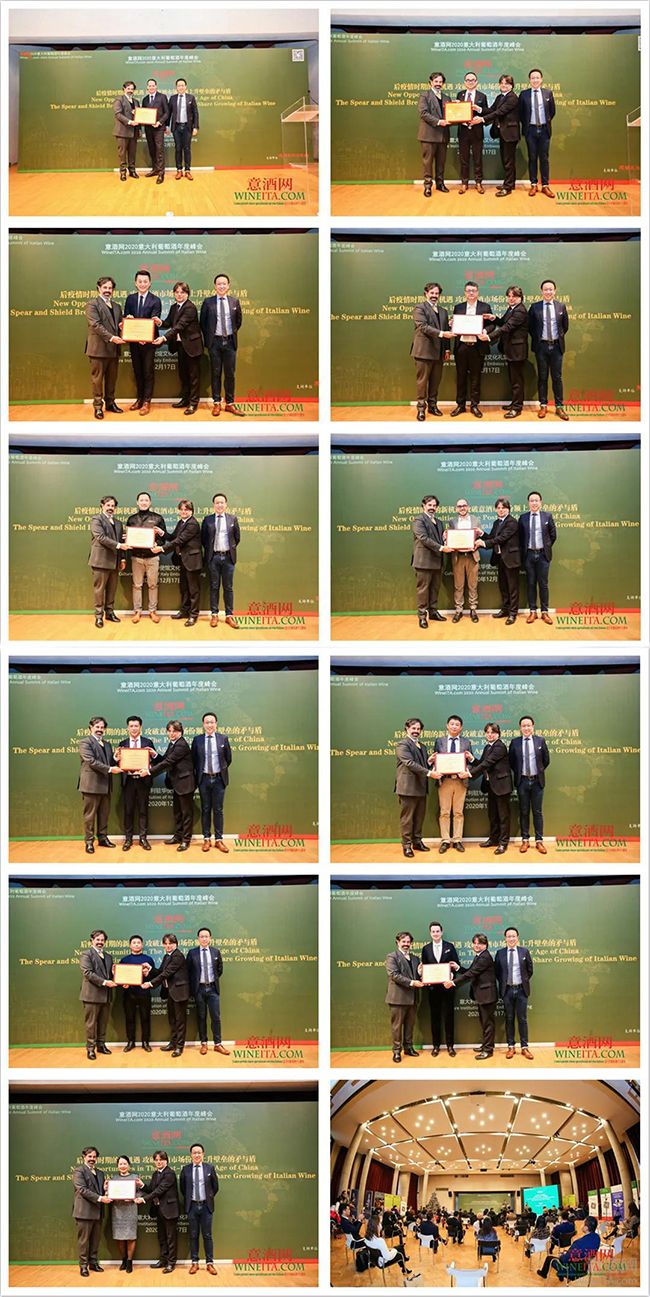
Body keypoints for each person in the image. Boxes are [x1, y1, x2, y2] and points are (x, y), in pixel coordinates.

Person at [445, 932, 497, 1059]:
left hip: (487, 995)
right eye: (475, 943)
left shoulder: (485, 957)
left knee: (488, 1023)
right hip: (483, 995)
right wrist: (458, 968)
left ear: (486, 945)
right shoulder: (479, 956)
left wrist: (453, 982)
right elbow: (470, 971)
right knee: (484, 1022)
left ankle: (488, 1050)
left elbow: (471, 974)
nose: (477, 945)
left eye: (480, 943)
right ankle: (486, 1045)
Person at [200, 274, 244, 417]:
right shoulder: (208, 302)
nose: (222, 286)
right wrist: (211, 339)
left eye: (224, 283)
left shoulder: (234, 301)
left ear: (228, 285)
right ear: (215, 286)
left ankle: (230, 403)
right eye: (219, 284)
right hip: (215, 343)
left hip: (230, 343)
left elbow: (238, 322)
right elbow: (203, 323)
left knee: (230, 374)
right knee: (216, 373)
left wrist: (230, 334)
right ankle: (217, 403)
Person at [448, 281, 495, 417]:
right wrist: (452, 324)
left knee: (476, 378)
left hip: (477, 347)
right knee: (461, 377)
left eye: (473, 290)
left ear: (477, 292)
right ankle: (460, 405)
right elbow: (454, 325)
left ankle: (474, 405)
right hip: (462, 347)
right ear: (465, 293)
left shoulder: (485, 307)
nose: (471, 293)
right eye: (468, 290)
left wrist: (485, 330)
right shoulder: (458, 307)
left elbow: (492, 325)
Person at [155, 282, 203, 414]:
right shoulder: (174, 307)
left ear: (187, 294)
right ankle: (185, 399)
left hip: (192, 347)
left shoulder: (190, 308)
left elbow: (179, 326)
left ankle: (193, 403)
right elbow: (168, 323)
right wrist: (160, 322)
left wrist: (164, 338)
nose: (179, 295)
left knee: (193, 376)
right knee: (183, 375)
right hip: (181, 346)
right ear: (174, 294)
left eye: (182, 292)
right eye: (177, 292)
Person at [481, 286, 529, 418]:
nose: (511, 298)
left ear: (520, 298)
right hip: (511, 350)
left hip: (517, 351)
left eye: (514, 296)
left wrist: (489, 337)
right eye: (509, 296)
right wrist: (494, 318)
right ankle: (514, 403)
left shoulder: (520, 311)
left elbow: (507, 327)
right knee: (514, 379)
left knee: (517, 381)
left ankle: (517, 408)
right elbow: (503, 322)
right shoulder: (512, 308)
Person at [429, 714, 474, 852]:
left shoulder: (466, 742)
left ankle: (457, 840)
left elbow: (469, 762)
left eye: (457, 724)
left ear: (461, 728)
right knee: (444, 812)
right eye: (452, 724)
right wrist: (435, 769)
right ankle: (445, 840)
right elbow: (436, 759)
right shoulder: (439, 741)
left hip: (460, 781)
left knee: (458, 812)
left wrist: (467, 770)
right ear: (447, 726)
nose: (454, 726)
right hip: (445, 781)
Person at [85, 277, 127, 420]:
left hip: (113, 349)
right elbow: (95, 325)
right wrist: (111, 337)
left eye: (110, 288)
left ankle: (110, 403)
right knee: (97, 380)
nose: (108, 290)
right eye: (105, 287)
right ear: (99, 288)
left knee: (111, 379)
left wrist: (124, 325)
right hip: (98, 349)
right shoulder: (92, 304)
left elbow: (119, 325)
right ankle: (98, 407)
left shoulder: (117, 306)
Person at [154, 499, 202, 626]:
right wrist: (162, 533)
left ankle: (193, 615)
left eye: (186, 509)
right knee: (184, 588)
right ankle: (184, 611)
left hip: (192, 561)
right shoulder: (181, 522)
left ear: (191, 511)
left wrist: (162, 548)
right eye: (181, 509)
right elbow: (173, 537)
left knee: (193, 590)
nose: (183, 512)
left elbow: (179, 540)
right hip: (183, 561)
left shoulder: (192, 524)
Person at [191, 712, 233, 852]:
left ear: (216, 724)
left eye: (212, 722)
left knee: (218, 810)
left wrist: (219, 771)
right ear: (203, 725)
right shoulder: (197, 740)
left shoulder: (223, 739)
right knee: (206, 809)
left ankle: (219, 840)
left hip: (219, 780)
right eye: (207, 722)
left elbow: (228, 759)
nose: (209, 725)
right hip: (203, 779)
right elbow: (194, 760)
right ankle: (206, 839)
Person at [78, 716, 121, 854]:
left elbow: (108, 763)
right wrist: (110, 769)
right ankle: (89, 842)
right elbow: (91, 761)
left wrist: (115, 759)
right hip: (91, 785)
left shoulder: (107, 744)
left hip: (106, 786)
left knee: (104, 814)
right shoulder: (85, 742)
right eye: (97, 727)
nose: (100, 730)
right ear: (90, 728)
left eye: (102, 727)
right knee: (89, 816)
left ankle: (102, 838)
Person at [528, 280, 570, 420]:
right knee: (543, 377)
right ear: (541, 291)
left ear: (555, 291)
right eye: (545, 289)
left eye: (550, 289)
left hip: (557, 347)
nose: (548, 292)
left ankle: (559, 406)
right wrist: (539, 339)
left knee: (557, 377)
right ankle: (543, 405)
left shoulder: (561, 306)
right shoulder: (534, 307)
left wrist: (557, 339)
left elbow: (565, 326)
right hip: (541, 347)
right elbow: (530, 327)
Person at [475, 496, 520, 625]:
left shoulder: (512, 522)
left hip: (510, 559)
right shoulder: (496, 523)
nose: (501, 510)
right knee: (503, 586)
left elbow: (502, 538)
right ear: (495, 509)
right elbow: (492, 537)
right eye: (498, 508)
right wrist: (482, 534)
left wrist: (483, 543)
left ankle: (513, 613)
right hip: (500, 558)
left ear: (508, 509)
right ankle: (505, 609)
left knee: (513, 588)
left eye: (503, 508)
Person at [151, 720, 195, 850]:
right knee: (178, 812)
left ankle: (186, 840)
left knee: (186, 814)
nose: (171, 733)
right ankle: (178, 836)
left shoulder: (181, 745)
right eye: (169, 731)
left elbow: (168, 762)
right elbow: (165, 759)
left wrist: (149, 771)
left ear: (181, 732)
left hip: (185, 783)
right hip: (177, 784)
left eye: (174, 731)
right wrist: (154, 754)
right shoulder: (172, 744)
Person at [509, 715, 551, 852]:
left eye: (528, 725)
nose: (526, 728)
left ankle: (539, 841)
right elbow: (512, 762)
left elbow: (546, 760)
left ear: (533, 727)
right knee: (524, 811)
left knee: (537, 812)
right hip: (522, 782)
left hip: (537, 782)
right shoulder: (515, 742)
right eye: (523, 726)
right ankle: (525, 840)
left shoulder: (540, 741)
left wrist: (538, 772)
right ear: (520, 728)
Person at [123, 273, 163, 417]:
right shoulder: (130, 298)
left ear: (150, 283)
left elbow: (154, 320)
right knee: (137, 371)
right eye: (140, 281)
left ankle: (147, 401)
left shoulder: (155, 300)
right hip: (134, 342)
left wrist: (145, 337)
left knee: (147, 371)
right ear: (136, 283)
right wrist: (128, 318)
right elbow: (126, 316)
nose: (142, 284)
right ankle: (139, 399)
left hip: (149, 343)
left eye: (145, 281)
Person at [186, 926, 230, 1055]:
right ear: (198, 938)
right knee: (201, 1017)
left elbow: (219, 970)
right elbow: (188, 971)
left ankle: (218, 1044)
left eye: (206, 936)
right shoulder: (192, 953)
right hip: (199, 989)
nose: (204, 938)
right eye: (202, 936)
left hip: (213, 989)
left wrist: (211, 981)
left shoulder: (216, 952)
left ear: (210, 938)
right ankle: (203, 1043)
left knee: (216, 1017)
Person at [143, 932, 189, 1056]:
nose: (168, 946)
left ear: (176, 944)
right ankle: (173, 1043)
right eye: (166, 943)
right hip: (170, 993)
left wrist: (150, 984)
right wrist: (150, 968)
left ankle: (179, 1047)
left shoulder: (178, 956)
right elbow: (160, 972)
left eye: (171, 943)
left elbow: (166, 973)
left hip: (179, 993)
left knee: (180, 1021)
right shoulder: (167, 956)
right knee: (172, 1020)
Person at [125, 490, 167, 624]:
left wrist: (156, 543)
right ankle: (137, 611)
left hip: (152, 557)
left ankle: (152, 611)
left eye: (146, 500)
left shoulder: (158, 518)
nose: (144, 502)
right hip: (136, 557)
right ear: (137, 502)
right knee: (137, 585)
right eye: (141, 500)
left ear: (150, 502)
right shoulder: (131, 519)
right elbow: (128, 538)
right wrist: (127, 540)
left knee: (153, 585)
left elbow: (163, 539)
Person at [395, 717, 435, 857]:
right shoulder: (402, 745)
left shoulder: (422, 746)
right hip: (407, 788)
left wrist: (429, 761)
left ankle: (417, 842)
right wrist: (430, 773)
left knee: (419, 817)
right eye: (413, 728)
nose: (416, 731)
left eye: (418, 729)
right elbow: (410, 763)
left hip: (421, 788)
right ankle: (407, 846)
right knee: (407, 819)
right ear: (407, 728)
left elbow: (422, 765)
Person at [470, 721, 512, 853]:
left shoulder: (500, 746)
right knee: (493, 815)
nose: (490, 735)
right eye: (487, 732)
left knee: (503, 816)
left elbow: (487, 763)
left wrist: (469, 773)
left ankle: (503, 843)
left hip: (501, 786)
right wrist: (471, 759)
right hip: (491, 786)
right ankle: (493, 839)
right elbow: (481, 764)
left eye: (493, 732)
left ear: (498, 734)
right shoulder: (487, 747)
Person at [411, 282, 450, 420]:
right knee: (422, 382)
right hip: (424, 352)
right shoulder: (419, 308)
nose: (434, 295)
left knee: (435, 381)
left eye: (437, 293)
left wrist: (447, 349)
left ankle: (433, 406)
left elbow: (446, 330)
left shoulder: (443, 311)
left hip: (439, 353)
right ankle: (421, 408)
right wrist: (442, 333)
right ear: (426, 293)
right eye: (432, 293)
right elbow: (423, 326)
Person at [201, 493, 241, 628]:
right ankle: (214, 615)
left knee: (228, 587)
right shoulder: (207, 520)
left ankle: (229, 616)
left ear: (226, 504)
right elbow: (204, 539)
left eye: (222, 502)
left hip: (229, 558)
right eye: (217, 503)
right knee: (214, 587)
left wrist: (229, 550)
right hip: (214, 558)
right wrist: (212, 553)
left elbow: (237, 538)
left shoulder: (232, 519)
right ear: (213, 505)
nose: (219, 505)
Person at [494, 926, 534, 1060]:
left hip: (522, 990)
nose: (511, 938)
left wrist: (523, 982)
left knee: (522, 1019)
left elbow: (530, 970)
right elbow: (497, 972)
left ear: (517, 938)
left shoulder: (524, 952)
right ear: (505, 938)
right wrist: (505, 983)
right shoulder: (500, 953)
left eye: (513, 936)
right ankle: (511, 1047)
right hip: (507, 991)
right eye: (509, 936)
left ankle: (524, 1047)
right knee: (509, 1019)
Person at [88, 494, 128, 627]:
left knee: (112, 590)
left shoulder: (118, 523)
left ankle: (110, 613)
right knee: (99, 590)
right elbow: (100, 537)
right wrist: (119, 545)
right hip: (101, 561)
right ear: (102, 505)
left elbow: (121, 541)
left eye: (113, 505)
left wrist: (122, 558)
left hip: (115, 562)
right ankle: (99, 616)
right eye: (108, 505)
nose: (110, 507)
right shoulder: (96, 519)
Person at [179, 1143, 220, 1275]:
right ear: (191, 1155)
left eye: (199, 1152)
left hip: (206, 1207)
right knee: (193, 1235)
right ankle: (194, 1262)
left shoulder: (210, 1168)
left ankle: (209, 1263)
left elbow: (215, 1187)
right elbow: (183, 1188)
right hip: (192, 1207)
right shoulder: (186, 1169)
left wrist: (208, 1198)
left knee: (207, 1235)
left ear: (203, 1154)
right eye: (194, 1152)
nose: (197, 1155)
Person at [421, 921, 460, 1057]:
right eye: (433, 931)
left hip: (447, 988)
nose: (436, 933)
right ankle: (436, 1046)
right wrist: (424, 976)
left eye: (438, 931)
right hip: (433, 990)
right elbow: (424, 968)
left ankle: (450, 1046)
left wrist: (452, 972)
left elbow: (456, 964)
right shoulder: (426, 949)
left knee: (449, 1017)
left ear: (441, 932)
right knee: (435, 1017)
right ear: (430, 933)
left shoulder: (450, 946)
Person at [117, 714, 156, 851]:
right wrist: (116, 758)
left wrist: (152, 758)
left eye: (136, 726)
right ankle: (128, 839)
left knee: (143, 810)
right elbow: (116, 762)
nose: (134, 728)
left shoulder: (148, 743)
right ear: (127, 728)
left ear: (140, 727)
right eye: (131, 726)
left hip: (143, 782)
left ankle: (143, 838)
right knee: (128, 811)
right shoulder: (122, 744)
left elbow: (155, 762)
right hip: (128, 782)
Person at [385, 931, 424, 1063]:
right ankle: (397, 1051)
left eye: (408, 942)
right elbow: (394, 975)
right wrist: (412, 982)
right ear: (398, 942)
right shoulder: (392, 957)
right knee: (397, 1027)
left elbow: (417, 976)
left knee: (409, 1025)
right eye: (403, 941)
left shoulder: (415, 958)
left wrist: (421, 975)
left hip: (413, 998)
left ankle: (408, 1048)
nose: (406, 944)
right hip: (398, 999)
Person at [518, 491, 557, 624]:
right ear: (528, 503)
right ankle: (533, 611)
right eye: (531, 500)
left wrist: (546, 547)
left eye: (536, 500)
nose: (534, 503)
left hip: (543, 556)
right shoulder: (523, 518)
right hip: (529, 555)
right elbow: (520, 537)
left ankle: (545, 612)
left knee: (543, 584)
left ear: (540, 502)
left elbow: (553, 535)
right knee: (530, 584)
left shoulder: (547, 516)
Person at [479, 74, 520, 197]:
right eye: (501, 83)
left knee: (508, 161)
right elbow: (492, 110)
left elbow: (499, 112)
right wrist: (479, 109)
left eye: (506, 83)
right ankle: (510, 183)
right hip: (503, 133)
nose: (503, 85)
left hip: (510, 134)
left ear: (511, 86)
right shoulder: (500, 97)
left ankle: (507, 187)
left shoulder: (512, 98)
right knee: (506, 160)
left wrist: (482, 119)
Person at [140, 1150, 180, 1274]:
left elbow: (160, 1190)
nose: (158, 1162)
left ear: (166, 1161)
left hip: (169, 1210)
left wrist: (143, 1199)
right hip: (158, 1210)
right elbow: (152, 1190)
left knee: (171, 1238)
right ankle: (163, 1260)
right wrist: (142, 1186)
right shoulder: (155, 1174)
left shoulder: (170, 1174)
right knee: (162, 1238)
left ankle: (171, 1263)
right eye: (156, 1160)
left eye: (161, 1160)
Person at [73, 1146, 111, 1276]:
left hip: (98, 1212)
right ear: (84, 1157)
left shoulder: (100, 1173)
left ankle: (93, 1263)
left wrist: (105, 1190)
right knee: (84, 1241)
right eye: (90, 1156)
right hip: (84, 1212)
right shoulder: (79, 1171)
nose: (92, 1159)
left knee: (95, 1241)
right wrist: (100, 1198)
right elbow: (82, 1190)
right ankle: (83, 1266)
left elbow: (100, 1191)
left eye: (94, 1157)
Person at [80, 929, 117, 1060]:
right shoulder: (86, 954)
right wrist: (105, 982)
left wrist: (117, 977)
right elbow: (87, 973)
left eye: (102, 940)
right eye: (98, 939)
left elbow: (110, 975)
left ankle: (101, 1045)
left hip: (106, 996)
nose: (100, 942)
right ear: (92, 940)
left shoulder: (108, 956)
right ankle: (90, 1049)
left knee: (103, 1023)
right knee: (91, 1024)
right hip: (92, 996)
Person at [444, 499, 483, 622]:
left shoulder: (476, 520)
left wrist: (479, 538)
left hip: (472, 556)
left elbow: (480, 537)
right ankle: (458, 610)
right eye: (459, 506)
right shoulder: (452, 522)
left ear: (468, 507)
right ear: (456, 508)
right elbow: (449, 539)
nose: (462, 508)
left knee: (473, 585)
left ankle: (473, 609)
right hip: (458, 557)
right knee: (458, 586)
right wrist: (445, 539)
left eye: (464, 505)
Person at [519, 69, 556, 198]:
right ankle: (533, 184)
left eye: (537, 77)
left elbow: (552, 112)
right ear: (529, 80)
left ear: (541, 79)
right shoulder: (524, 94)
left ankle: (545, 185)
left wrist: (545, 123)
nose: (535, 80)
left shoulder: (548, 93)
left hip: (544, 130)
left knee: (544, 158)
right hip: (531, 131)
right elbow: (521, 113)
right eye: (532, 78)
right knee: (532, 157)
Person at [117, 933, 156, 1053]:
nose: (136, 944)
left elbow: (154, 977)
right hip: (129, 994)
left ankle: (145, 1042)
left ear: (142, 945)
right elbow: (120, 977)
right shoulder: (124, 960)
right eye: (134, 942)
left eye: (138, 942)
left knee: (145, 1018)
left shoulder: (148, 959)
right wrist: (123, 983)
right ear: (130, 945)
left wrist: (148, 974)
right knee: (130, 1018)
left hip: (144, 993)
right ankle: (131, 1042)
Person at [412, 494, 446, 629]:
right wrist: (442, 547)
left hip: (437, 561)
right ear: (424, 506)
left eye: (434, 505)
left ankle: (433, 612)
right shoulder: (418, 520)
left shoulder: (439, 522)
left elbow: (439, 539)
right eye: (429, 505)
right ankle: (422, 616)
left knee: (435, 589)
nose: (432, 507)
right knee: (423, 590)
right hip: (424, 562)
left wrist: (446, 539)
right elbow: (423, 538)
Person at [417, 72, 451, 198]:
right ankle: (427, 186)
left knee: (441, 162)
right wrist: (438, 121)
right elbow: (423, 113)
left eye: (440, 82)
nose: (438, 84)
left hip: (443, 135)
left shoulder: (447, 98)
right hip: (429, 135)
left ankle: (440, 184)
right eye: (436, 81)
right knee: (428, 163)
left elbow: (451, 115)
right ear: (430, 82)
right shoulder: (424, 95)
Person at [537, 1215, 600, 1281]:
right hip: (584, 1268)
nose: (581, 1225)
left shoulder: (578, 1243)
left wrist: (562, 1256)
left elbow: (564, 1260)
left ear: (586, 1228)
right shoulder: (597, 1238)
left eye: (583, 1224)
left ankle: (543, 1274)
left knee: (549, 1258)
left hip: (571, 1272)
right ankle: (560, 1274)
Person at [456, 71, 488, 193]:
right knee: (464, 159)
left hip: (477, 131)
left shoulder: (482, 96)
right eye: (468, 80)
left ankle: (478, 183)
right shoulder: (460, 95)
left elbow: (486, 112)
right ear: (464, 82)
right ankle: (464, 183)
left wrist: (479, 109)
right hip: (463, 131)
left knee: (477, 159)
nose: (470, 82)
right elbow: (456, 112)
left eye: (473, 80)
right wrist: (459, 116)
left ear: (476, 82)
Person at [109, 1154, 141, 1273]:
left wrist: (134, 1197)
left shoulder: (135, 1177)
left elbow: (140, 1192)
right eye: (120, 1164)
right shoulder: (113, 1179)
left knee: (131, 1236)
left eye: (125, 1163)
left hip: (130, 1209)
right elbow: (109, 1194)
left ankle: (129, 1261)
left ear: (129, 1165)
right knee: (119, 1237)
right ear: (117, 1166)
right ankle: (123, 1259)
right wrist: (107, 1190)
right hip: (117, 1211)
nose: (123, 1166)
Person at [168, 77, 199, 179]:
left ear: (185, 87)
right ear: (176, 87)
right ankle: (179, 170)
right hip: (176, 127)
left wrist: (195, 127)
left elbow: (195, 113)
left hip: (187, 127)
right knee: (178, 149)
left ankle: (187, 170)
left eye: (182, 85)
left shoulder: (191, 98)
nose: (181, 87)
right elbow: (169, 113)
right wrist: (167, 126)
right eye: (179, 85)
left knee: (187, 149)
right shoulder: (172, 98)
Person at [141, 78, 169, 183]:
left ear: (156, 86)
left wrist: (160, 122)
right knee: (152, 149)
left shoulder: (162, 97)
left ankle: (161, 173)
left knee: (159, 150)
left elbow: (167, 113)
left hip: (159, 128)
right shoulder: (145, 99)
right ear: (147, 87)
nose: (151, 87)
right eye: (149, 86)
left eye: (153, 85)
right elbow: (143, 114)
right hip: (148, 128)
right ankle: (155, 169)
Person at [112, 80, 140, 181]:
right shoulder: (119, 100)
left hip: (134, 132)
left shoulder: (136, 101)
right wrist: (129, 122)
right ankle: (123, 172)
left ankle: (132, 170)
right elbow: (118, 114)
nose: (130, 91)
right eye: (128, 88)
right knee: (122, 153)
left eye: (132, 89)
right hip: (122, 132)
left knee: (132, 153)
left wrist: (139, 128)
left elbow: (139, 116)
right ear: (124, 89)